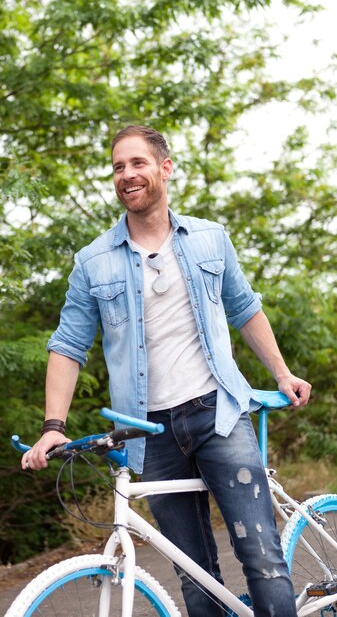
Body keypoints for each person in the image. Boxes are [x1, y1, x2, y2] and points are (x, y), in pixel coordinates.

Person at [23, 125, 311, 616]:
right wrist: (54, 426)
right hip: (149, 432)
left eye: (137, 163)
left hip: (217, 414)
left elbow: (244, 308)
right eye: (118, 167)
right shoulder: (92, 262)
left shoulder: (208, 239)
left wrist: (281, 373)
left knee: (261, 558)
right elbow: (68, 345)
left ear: (164, 168)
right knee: (194, 574)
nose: (127, 175)